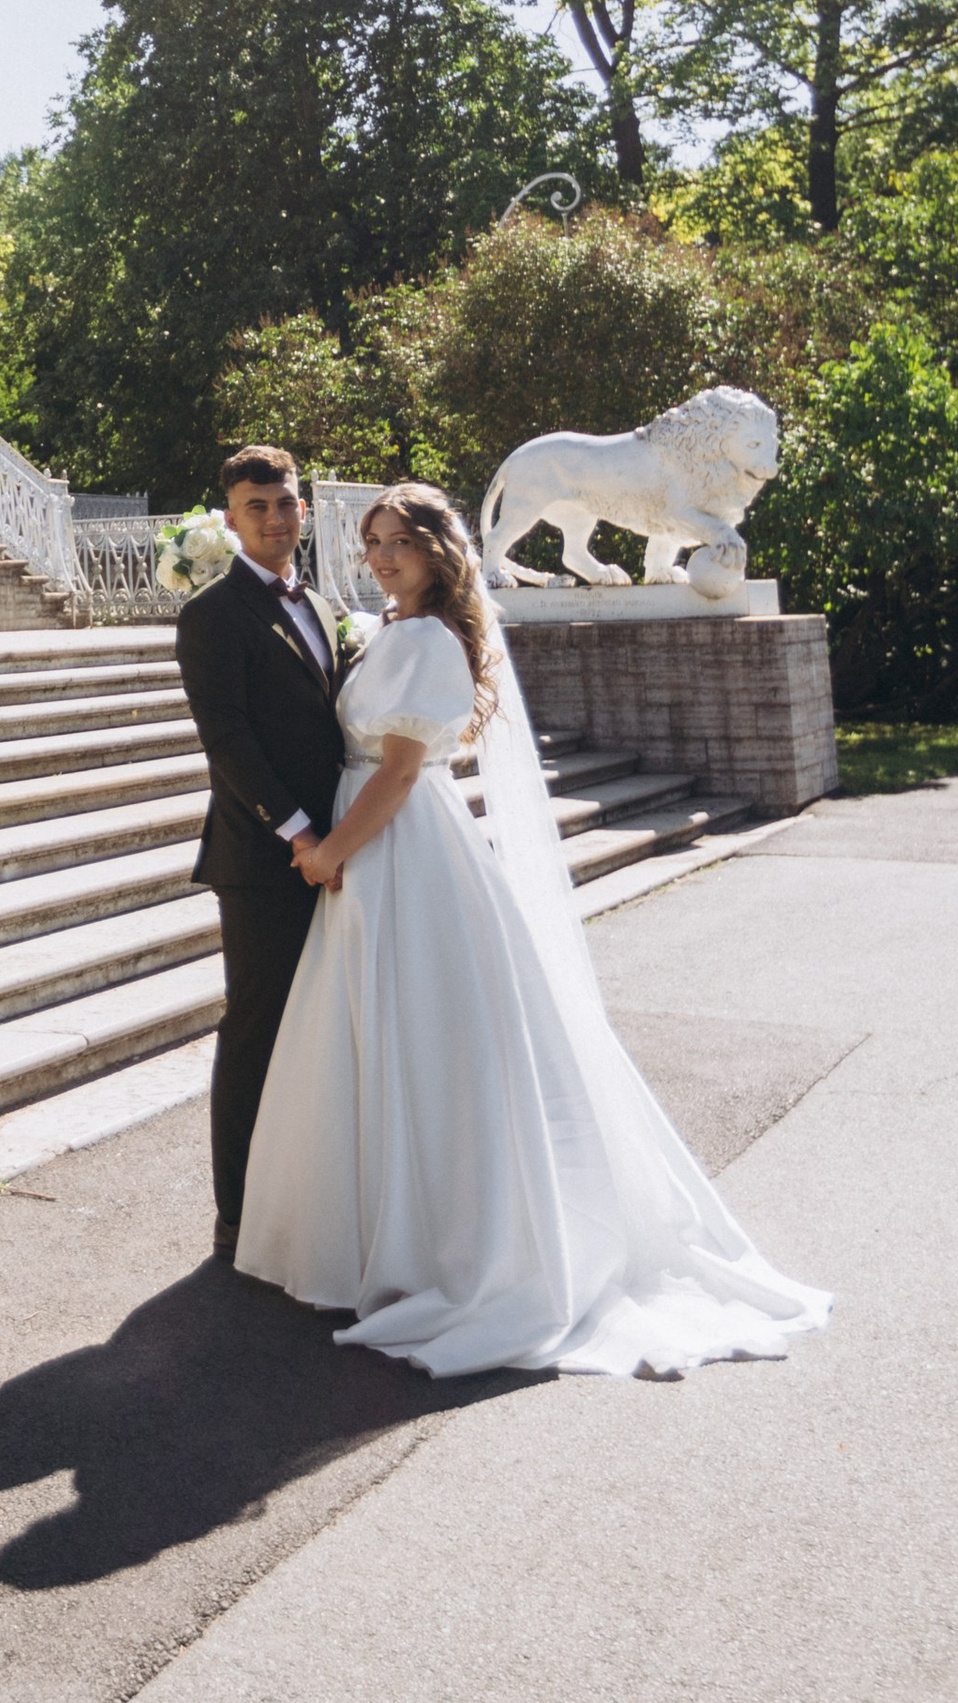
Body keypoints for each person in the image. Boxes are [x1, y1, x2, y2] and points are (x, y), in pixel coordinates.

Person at [236, 481, 830, 1378]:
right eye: (373, 541)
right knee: (382, 1031)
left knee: (424, 1029)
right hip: (376, 841)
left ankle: (449, 1246)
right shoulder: (393, 630)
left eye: (401, 540)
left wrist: (327, 855)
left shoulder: (431, 638)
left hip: (398, 846)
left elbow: (398, 773)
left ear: (441, 551)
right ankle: (378, 1238)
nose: (384, 555)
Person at [172, 443, 346, 1262]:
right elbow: (229, 742)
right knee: (257, 1029)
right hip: (264, 855)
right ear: (231, 518)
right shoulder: (211, 615)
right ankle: (238, 1209)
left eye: (285, 505)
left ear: (302, 510)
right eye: (257, 507)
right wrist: (302, 834)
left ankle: (309, 1190)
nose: (275, 519)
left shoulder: (321, 601)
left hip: (341, 847)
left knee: (324, 1023)